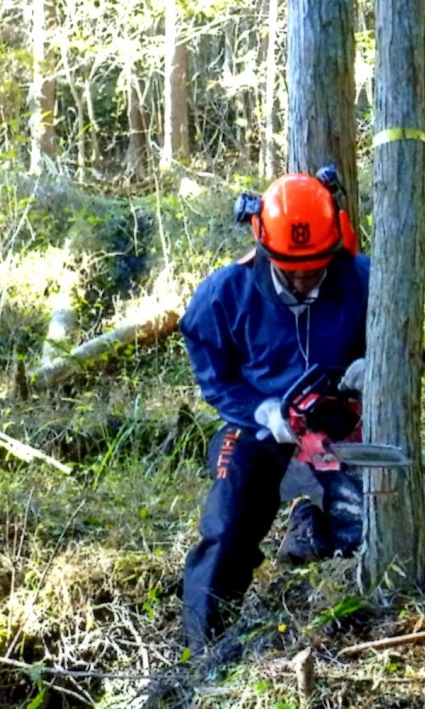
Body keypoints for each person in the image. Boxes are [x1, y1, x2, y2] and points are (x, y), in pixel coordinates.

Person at [179, 168, 369, 654]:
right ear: (263, 245)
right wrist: (262, 412)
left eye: (314, 266)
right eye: (291, 267)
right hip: (260, 427)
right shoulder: (226, 293)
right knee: (227, 523)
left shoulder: (364, 281)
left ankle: (309, 529)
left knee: (363, 526)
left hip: (338, 426)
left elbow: (411, 351)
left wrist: (376, 368)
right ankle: (203, 645)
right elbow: (212, 372)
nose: (304, 277)